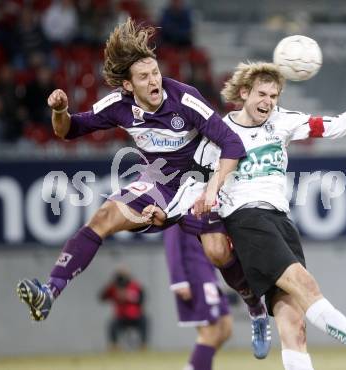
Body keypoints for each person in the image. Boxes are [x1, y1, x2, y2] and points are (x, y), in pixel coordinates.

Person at [16, 18, 270, 359]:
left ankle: (255, 308)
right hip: (159, 183)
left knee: (217, 253)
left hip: (198, 183)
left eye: (155, 72)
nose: (155, 80)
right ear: (127, 85)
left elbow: (232, 145)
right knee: (104, 216)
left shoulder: (186, 98)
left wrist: (213, 189)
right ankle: (50, 290)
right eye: (145, 76)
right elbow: (67, 131)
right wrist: (60, 110)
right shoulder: (118, 107)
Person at [142, 62, 346, 369]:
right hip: (247, 220)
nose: (268, 101)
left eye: (274, 95)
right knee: (305, 284)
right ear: (244, 93)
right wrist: (165, 212)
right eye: (261, 93)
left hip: (280, 222)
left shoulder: (283, 121)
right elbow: (192, 182)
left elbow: (337, 126)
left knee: (295, 322)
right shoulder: (218, 133)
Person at [163, 225, 232, 370]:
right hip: (195, 276)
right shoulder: (179, 206)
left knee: (226, 328)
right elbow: (171, 244)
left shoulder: (205, 209)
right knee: (210, 331)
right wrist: (178, 281)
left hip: (210, 274)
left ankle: (193, 366)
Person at [99, 268, 148, 350]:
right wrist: (110, 286)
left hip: (135, 316)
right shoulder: (113, 287)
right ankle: (114, 346)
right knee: (112, 324)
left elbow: (142, 299)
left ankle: (143, 345)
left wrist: (128, 296)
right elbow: (102, 297)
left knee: (145, 321)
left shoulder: (134, 286)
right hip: (120, 317)